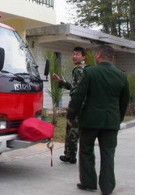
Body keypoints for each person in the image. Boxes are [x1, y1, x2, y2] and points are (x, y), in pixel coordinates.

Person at [66, 45, 130, 195]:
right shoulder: (121, 75)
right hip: (111, 121)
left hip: (90, 120)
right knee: (108, 153)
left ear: (99, 55)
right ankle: (107, 187)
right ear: (112, 58)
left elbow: (79, 95)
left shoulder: (90, 72)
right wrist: (118, 118)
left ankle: (88, 182)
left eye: (96, 54)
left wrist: (71, 115)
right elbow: (124, 101)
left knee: (86, 150)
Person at [52, 46, 87, 164]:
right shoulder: (81, 69)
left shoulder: (79, 70)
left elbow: (80, 90)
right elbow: (74, 86)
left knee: (72, 130)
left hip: (78, 104)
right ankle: (69, 154)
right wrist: (60, 82)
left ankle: (71, 156)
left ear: (83, 57)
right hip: (80, 104)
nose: (74, 56)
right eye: (73, 54)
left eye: (77, 54)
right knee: (72, 130)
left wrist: (74, 109)